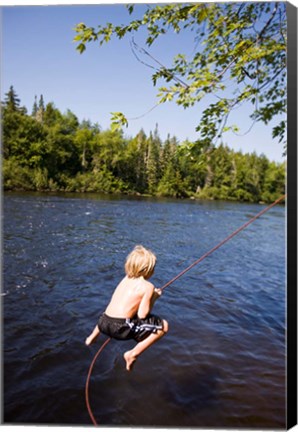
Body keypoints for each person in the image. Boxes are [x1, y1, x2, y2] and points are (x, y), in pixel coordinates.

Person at [85, 245, 168, 371]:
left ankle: (92, 337)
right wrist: (154, 297)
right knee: (164, 326)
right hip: (120, 329)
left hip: (102, 322)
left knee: (113, 309)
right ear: (148, 269)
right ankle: (133, 354)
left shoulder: (125, 279)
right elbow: (142, 315)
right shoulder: (148, 286)